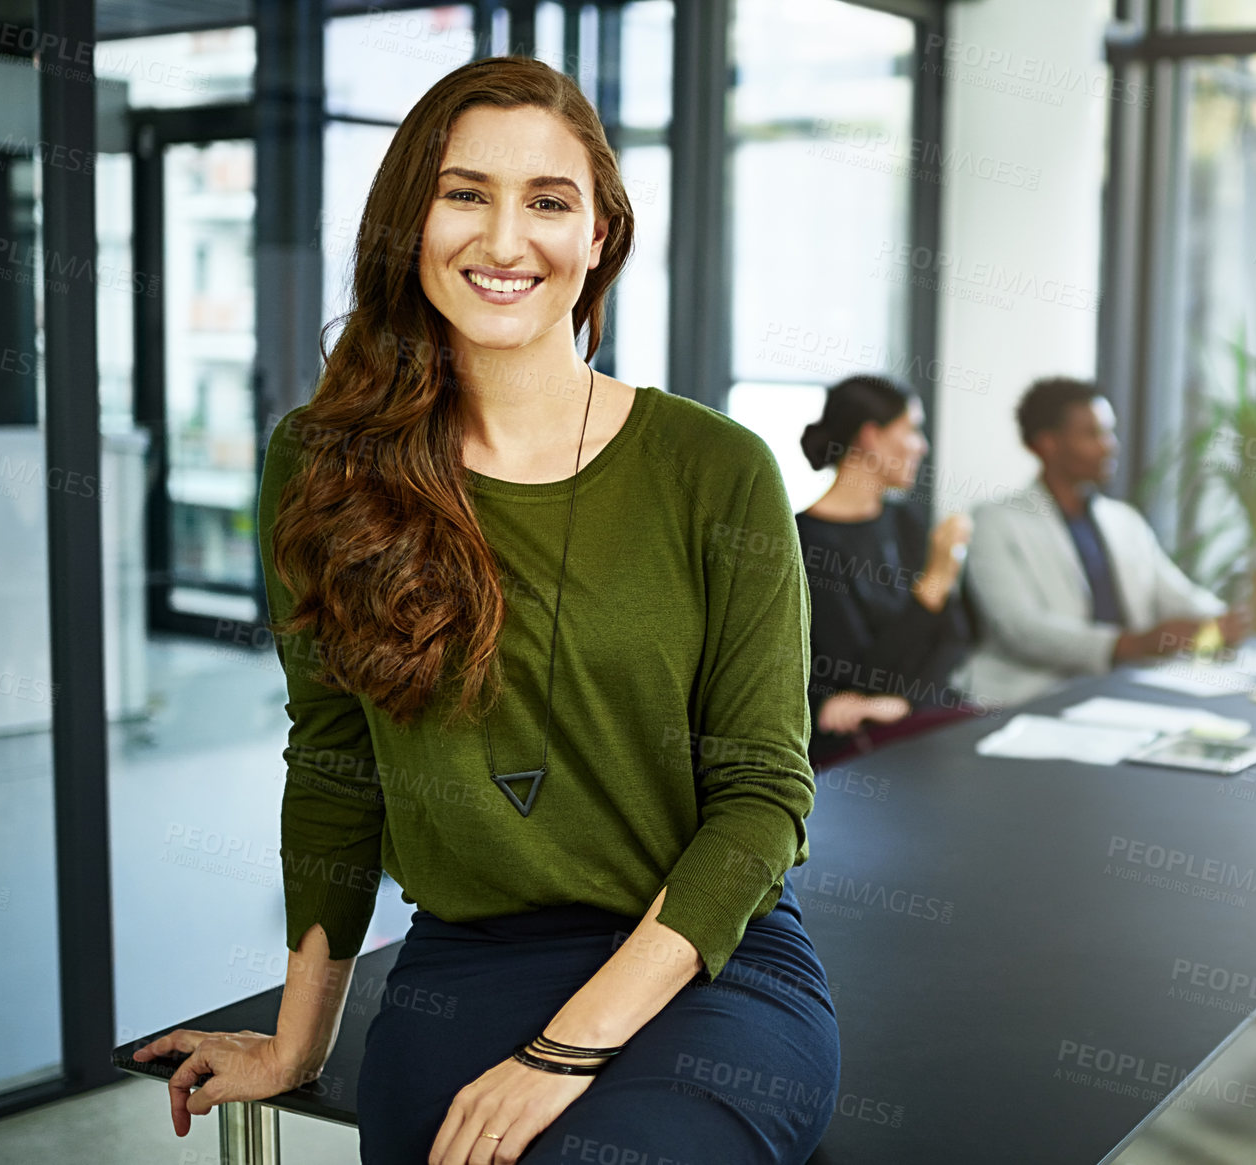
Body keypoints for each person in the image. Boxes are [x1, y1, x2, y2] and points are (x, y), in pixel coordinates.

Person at [131, 57, 838, 1165]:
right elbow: (332, 761)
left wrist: (563, 1052)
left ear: (598, 235)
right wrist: (296, 1043)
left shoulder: (717, 469)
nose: (506, 241)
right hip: (466, 966)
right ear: (410, 220)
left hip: (702, 962)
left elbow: (762, 797)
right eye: (466, 193)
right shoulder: (323, 466)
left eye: (548, 202)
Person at [956, 376, 1247, 708]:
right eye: (1093, 434)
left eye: (1109, 432)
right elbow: (1020, 629)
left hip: (1121, 691)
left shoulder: (1124, 520)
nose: (1111, 445)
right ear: (1048, 444)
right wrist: (1125, 645)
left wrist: (1218, 618)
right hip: (1030, 696)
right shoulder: (994, 521)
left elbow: (1173, 592)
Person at [796, 375, 978, 768]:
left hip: (917, 715)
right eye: (912, 429)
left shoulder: (906, 521)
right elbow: (858, 672)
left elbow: (955, 638)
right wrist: (933, 585)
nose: (922, 446)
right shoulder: (806, 542)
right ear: (871, 437)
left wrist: (902, 702)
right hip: (856, 745)